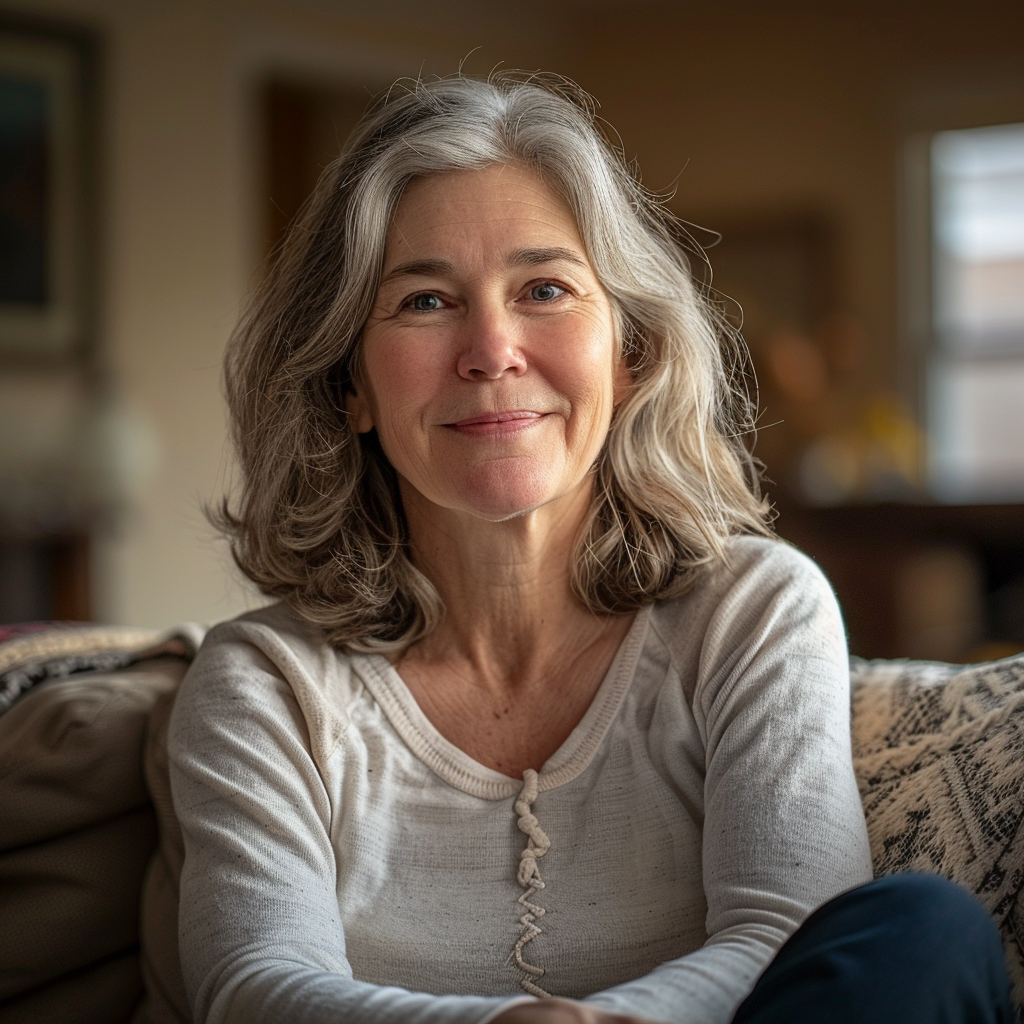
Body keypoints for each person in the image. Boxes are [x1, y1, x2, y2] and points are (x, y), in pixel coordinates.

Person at [169, 73, 1014, 1024]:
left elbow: (788, 932)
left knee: (924, 930)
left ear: (630, 354)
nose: (492, 349)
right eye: (424, 302)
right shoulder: (264, 684)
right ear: (349, 386)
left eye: (543, 289)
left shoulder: (754, 611)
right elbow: (252, 989)